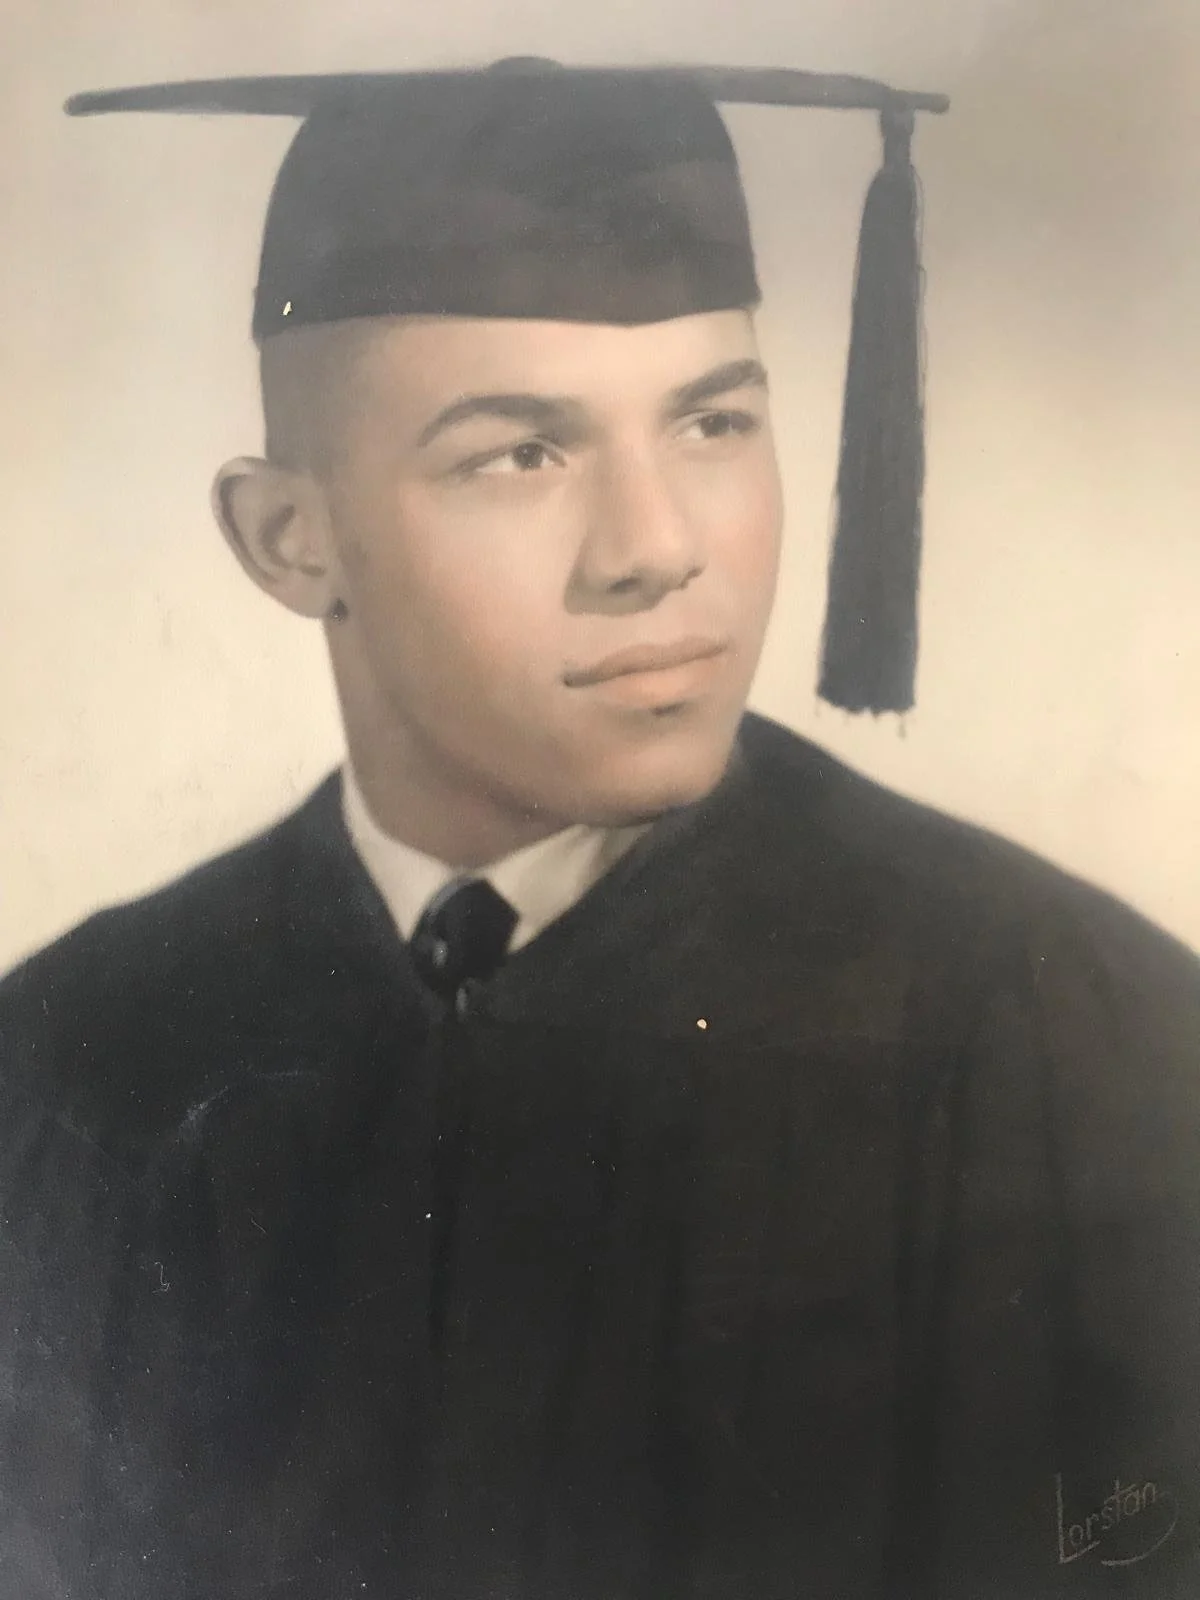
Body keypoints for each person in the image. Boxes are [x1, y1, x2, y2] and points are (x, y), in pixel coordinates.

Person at [1, 59, 1198, 1600]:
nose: (658, 551)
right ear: (290, 540)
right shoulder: (73, 1061)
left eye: (712, 424)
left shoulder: (1066, 1038)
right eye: (521, 453)